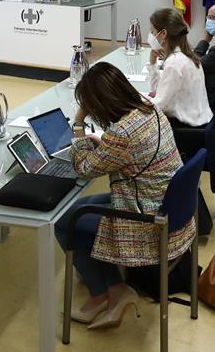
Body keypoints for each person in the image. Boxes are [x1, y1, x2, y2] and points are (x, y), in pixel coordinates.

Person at [54, 63, 192, 330]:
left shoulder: (122, 134)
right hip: (164, 203)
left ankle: (105, 292)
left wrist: (79, 124)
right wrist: (104, 144)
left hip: (144, 218)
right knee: (79, 208)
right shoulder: (147, 108)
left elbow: (83, 168)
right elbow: (128, 149)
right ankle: (113, 290)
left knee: (65, 223)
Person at [146, 7, 213, 128]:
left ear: (163, 33)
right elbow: (160, 91)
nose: (151, 36)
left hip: (185, 131)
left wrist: (136, 104)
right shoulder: (188, 56)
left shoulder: (174, 63)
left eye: (153, 32)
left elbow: (159, 106)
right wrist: (153, 64)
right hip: (199, 125)